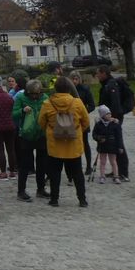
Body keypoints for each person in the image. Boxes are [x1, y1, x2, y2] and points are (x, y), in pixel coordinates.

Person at [38, 76, 89, 207]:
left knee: (55, 173)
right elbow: (86, 122)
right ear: (69, 88)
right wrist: (76, 131)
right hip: (73, 144)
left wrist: (51, 131)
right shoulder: (77, 102)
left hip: (55, 145)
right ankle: (82, 199)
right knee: (77, 173)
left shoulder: (48, 103)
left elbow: (41, 122)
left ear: (55, 88)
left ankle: (54, 199)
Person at [13, 79, 50, 202]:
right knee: (24, 165)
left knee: (42, 164)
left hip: (41, 134)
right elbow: (13, 114)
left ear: (40, 92)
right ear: (27, 92)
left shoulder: (45, 97)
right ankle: (21, 191)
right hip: (26, 135)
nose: (34, 96)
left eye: (37, 94)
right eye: (32, 94)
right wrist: (22, 111)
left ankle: (40, 189)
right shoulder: (20, 97)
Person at [97, 65, 130, 181]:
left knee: (117, 143)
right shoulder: (107, 84)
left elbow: (115, 103)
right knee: (114, 143)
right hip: (110, 117)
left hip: (114, 118)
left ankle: (123, 172)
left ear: (104, 74)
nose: (97, 76)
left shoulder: (111, 85)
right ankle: (117, 170)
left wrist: (112, 119)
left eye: (98, 73)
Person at [70, 70, 95, 176]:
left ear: (79, 79)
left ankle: (89, 166)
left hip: (81, 120)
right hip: (70, 120)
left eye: (76, 79)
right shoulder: (68, 90)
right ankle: (75, 167)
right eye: (73, 79)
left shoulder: (85, 89)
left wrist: (83, 112)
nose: (75, 81)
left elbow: (92, 105)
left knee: (85, 143)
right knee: (72, 143)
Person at [92, 105, 124, 184]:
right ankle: (102, 176)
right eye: (107, 114)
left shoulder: (115, 123)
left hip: (113, 145)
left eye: (109, 113)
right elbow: (94, 134)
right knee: (102, 161)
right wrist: (99, 138)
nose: (109, 115)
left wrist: (120, 146)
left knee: (113, 161)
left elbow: (119, 136)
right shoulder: (98, 124)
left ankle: (116, 176)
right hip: (102, 146)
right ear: (102, 115)